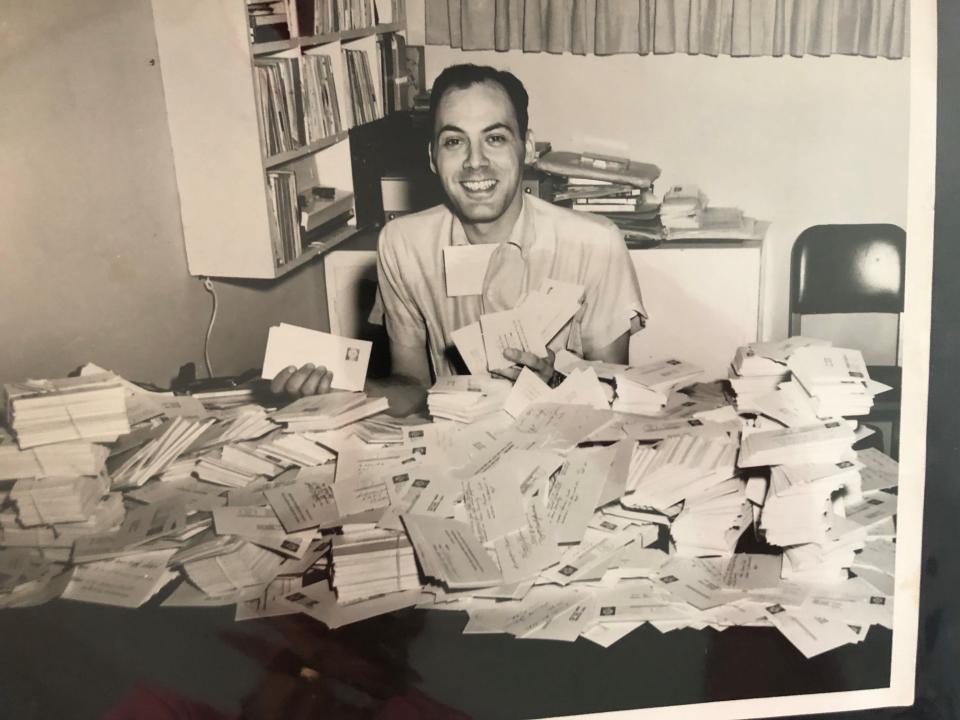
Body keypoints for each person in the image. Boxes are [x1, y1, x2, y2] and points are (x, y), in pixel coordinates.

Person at [272, 63, 645, 400]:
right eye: (455, 141)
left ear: (527, 148)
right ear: (433, 157)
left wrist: (556, 382)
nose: (475, 161)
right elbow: (412, 386)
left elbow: (615, 393)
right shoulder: (403, 244)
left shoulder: (596, 243)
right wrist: (348, 392)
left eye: (495, 138)